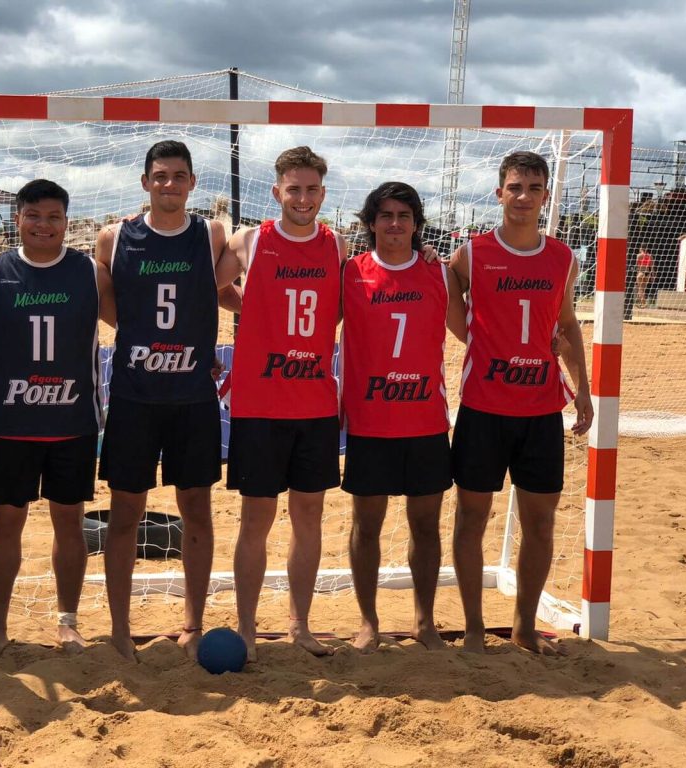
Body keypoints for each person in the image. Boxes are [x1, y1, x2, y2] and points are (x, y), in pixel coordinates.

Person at [448, 151, 593, 655]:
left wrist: (585, 394)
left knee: (541, 523)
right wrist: (478, 339)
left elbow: (568, 324)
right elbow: (450, 293)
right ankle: (470, 629)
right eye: (515, 187)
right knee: (471, 518)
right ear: (499, 193)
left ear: (545, 195)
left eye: (534, 187)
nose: (524, 196)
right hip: (483, 409)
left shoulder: (563, 258)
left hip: (540, 412)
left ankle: (524, 628)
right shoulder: (471, 252)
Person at [0, 179, 115, 661]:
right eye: (34, 215)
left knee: (68, 525)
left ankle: (68, 622)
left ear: (66, 223)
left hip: (73, 423)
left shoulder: (89, 272)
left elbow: (128, 322)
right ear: (18, 219)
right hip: (11, 424)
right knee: (5, 525)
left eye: (54, 217)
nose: (43, 225)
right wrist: (15, 370)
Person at [95, 140, 227, 660]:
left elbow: (237, 279)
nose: (168, 184)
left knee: (197, 507)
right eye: (159, 175)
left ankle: (192, 623)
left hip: (193, 397)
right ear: (145, 182)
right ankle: (121, 629)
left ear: (192, 183)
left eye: (178, 176)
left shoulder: (210, 234)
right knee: (126, 511)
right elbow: (111, 310)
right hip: (134, 395)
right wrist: (149, 347)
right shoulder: (114, 238)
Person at [214, 146, 345, 661]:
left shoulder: (336, 247)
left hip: (313, 404)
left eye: (312, 189)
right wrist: (249, 306)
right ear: (277, 192)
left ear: (323, 193)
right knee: (256, 518)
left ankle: (300, 624)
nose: (303, 198)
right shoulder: (251, 241)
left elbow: (339, 309)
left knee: (309, 516)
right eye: (294, 188)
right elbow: (211, 286)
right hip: (259, 404)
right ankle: (246, 628)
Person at [340, 182, 466, 653]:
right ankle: (368, 622)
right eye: (386, 215)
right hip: (370, 422)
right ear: (371, 223)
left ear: (417, 224)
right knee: (366, 525)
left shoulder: (438, 273)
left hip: (426, 421)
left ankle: (425, 620)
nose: (395, 224)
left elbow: (474, 329)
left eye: (404, 216)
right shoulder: (351, 272)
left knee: (426, 525)